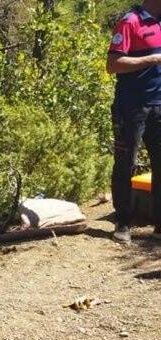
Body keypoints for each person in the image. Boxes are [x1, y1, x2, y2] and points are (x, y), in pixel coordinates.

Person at [106, 1, 161, 243]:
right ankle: (123, 222)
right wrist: (153, 59)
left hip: (159, 105)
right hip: (131, 106)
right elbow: (112, 65)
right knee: (125, 162)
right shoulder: (131, 22)